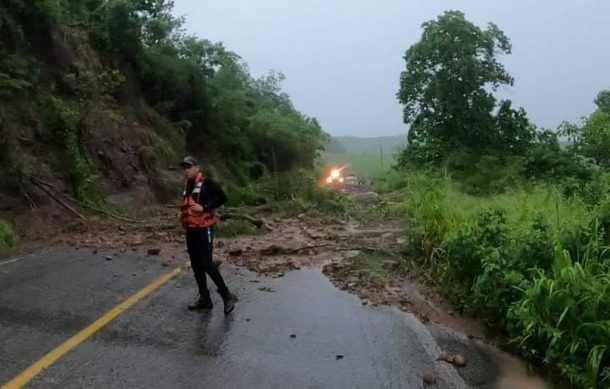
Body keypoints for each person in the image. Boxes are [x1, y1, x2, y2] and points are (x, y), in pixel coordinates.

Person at [178, 156, 236, 314]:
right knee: (196, 265)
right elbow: (187, 205)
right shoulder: (188, 185)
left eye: (189, 167)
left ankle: (226, 296)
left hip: (205, 229)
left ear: (196, 167)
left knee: (207, 263)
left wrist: (204, 207)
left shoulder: (207, 183)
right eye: (184, 167)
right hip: (191, 229)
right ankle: (205, 299)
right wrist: (182, 215)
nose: (186, 170)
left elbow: (222, 198)